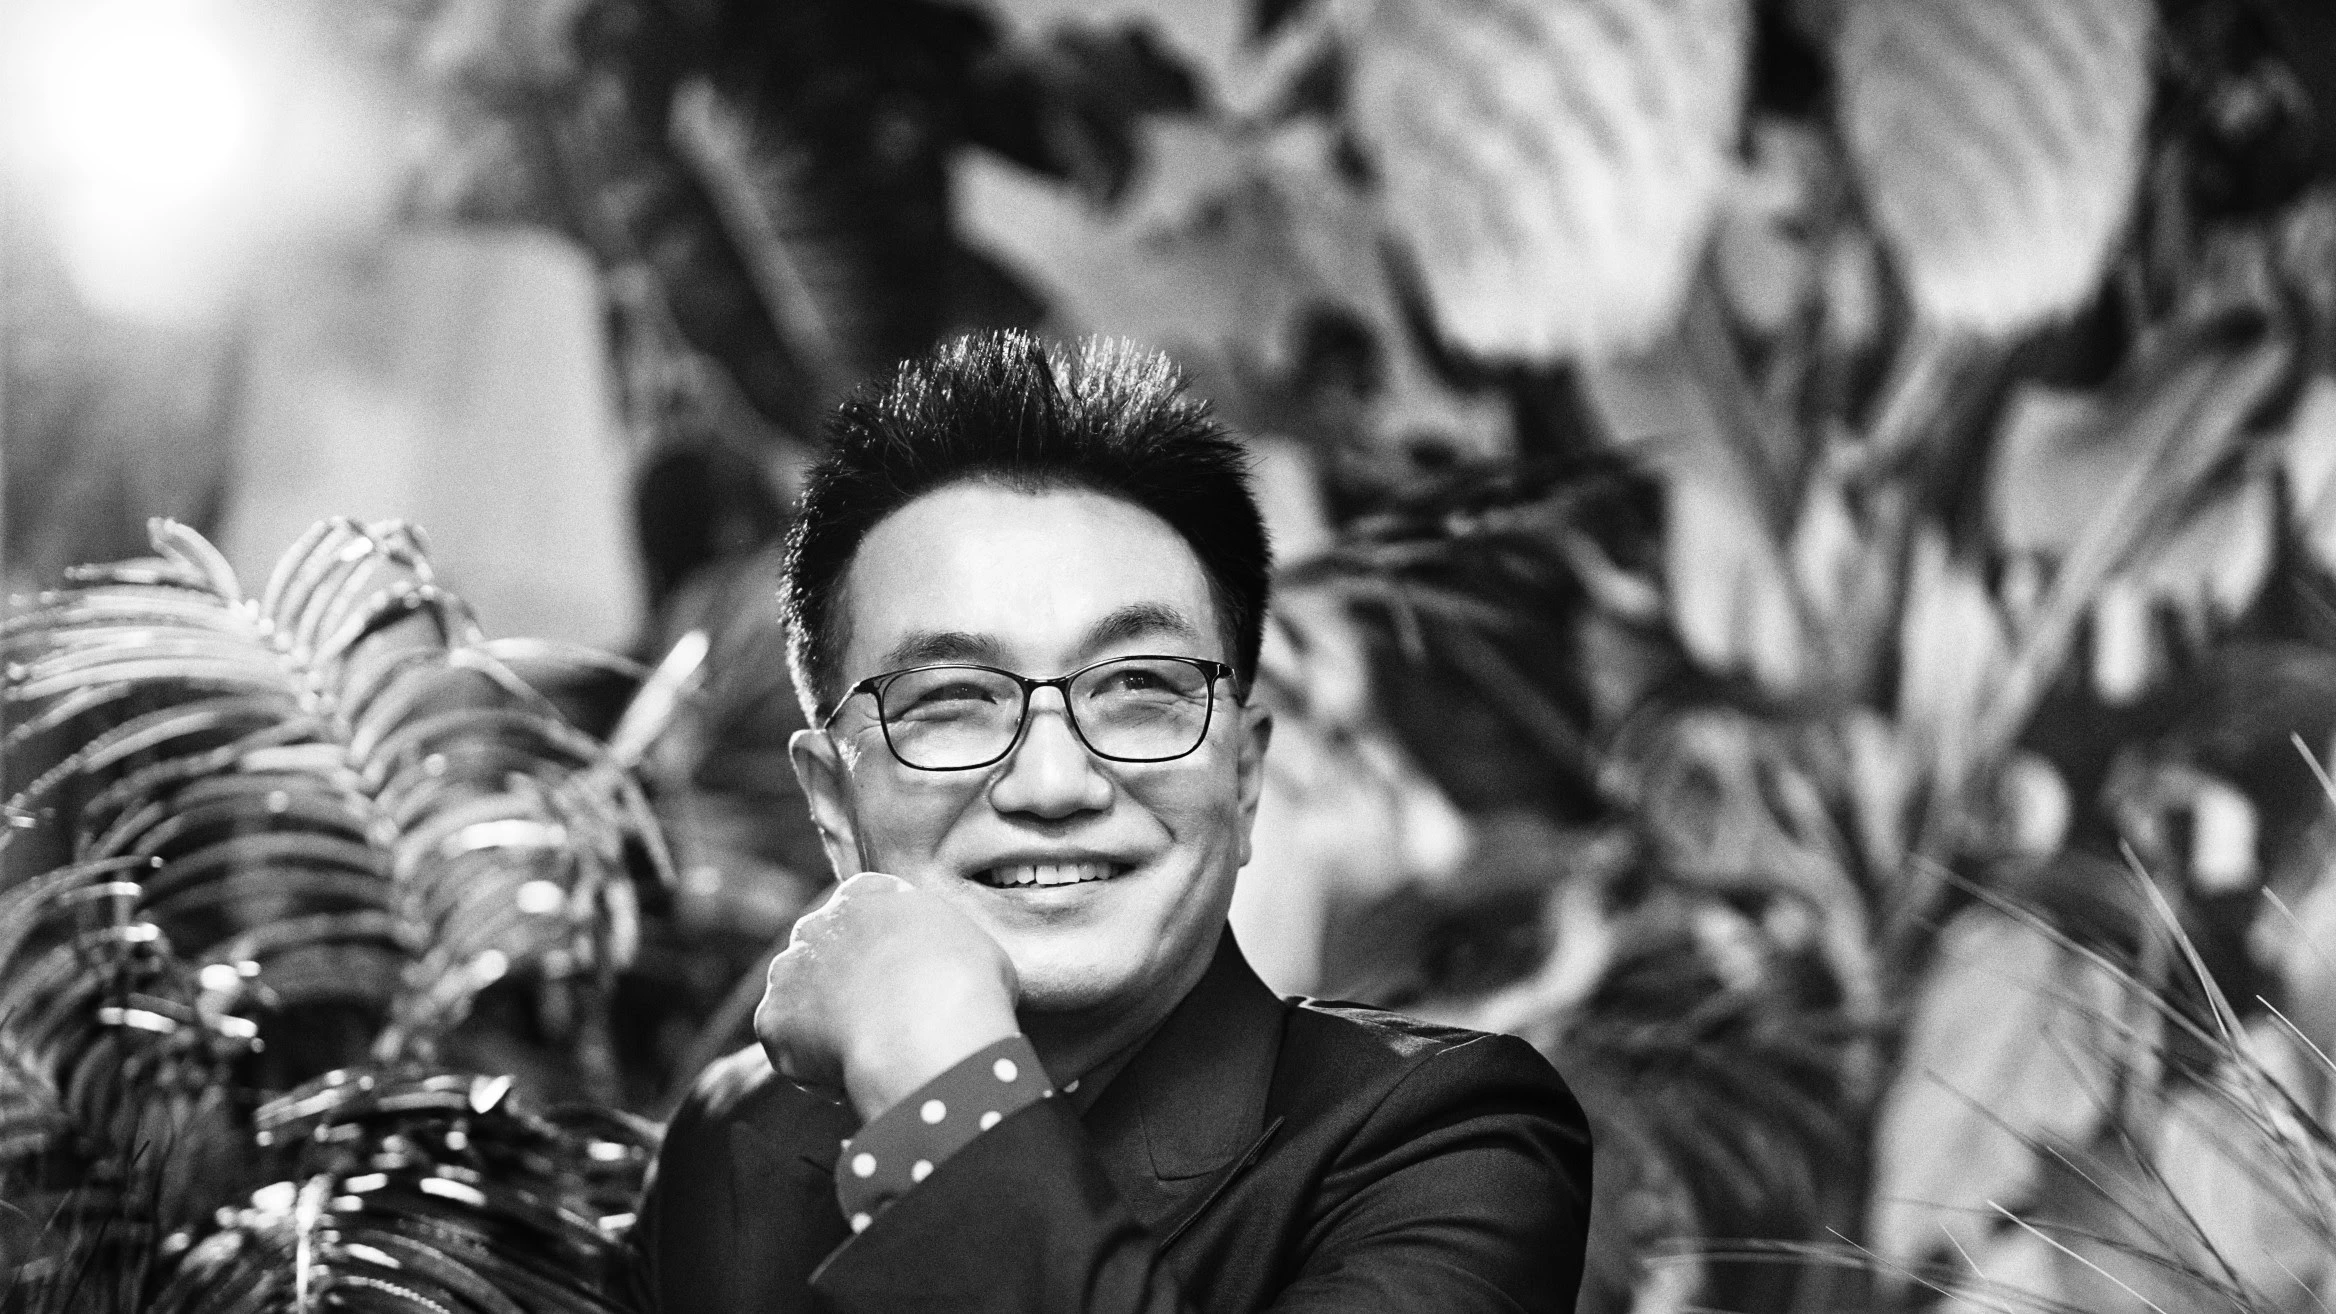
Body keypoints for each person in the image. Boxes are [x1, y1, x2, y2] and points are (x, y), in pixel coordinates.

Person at [630, 331, 1591, 1312]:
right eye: (953, 700)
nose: (1053, 782)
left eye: (1137, 690)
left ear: (1244, 775)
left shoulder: (1450, 1142)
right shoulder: (730, 1142)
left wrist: (939, 1071)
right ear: (832, 804)